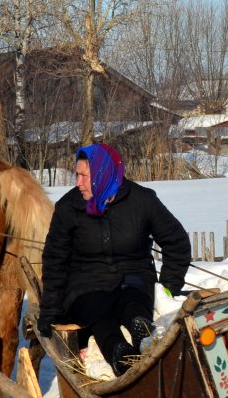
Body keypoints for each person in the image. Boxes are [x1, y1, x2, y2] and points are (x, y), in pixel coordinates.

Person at [37, 143, 191, 376]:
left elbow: (176, 241)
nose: (78, 183)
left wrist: (169, 286)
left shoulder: (142, 200)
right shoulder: (69, 207)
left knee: (133, 302)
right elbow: (55, 259)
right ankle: (120, 353)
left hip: (134, 275)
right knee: (99, 312)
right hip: (85, 283)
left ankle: (143, 332)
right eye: (76, 175)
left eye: (84, 176)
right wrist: (50, 309)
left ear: (103, 174)